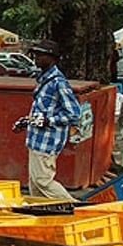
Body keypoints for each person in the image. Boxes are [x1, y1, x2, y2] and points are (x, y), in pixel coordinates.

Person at [12, 39, 80, 200]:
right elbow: (42, 109)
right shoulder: (43, 79)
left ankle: (76, 207)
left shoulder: (58, 82)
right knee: (34, 185)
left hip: (48, 140)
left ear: (52, 58)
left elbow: (73, 113)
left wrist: (49, 121)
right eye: (36, 55)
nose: (36, 59)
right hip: (36, 139)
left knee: (43, 181)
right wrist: (27, 121)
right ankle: (41, 212)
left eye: (41, 55)